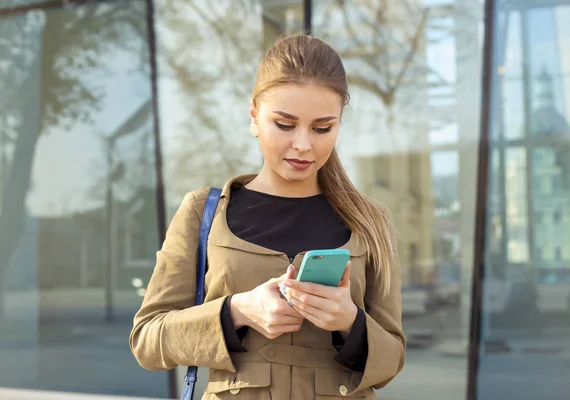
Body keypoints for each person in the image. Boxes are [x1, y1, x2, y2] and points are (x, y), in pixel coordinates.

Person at [130, 34, 405, 399]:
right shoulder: (204, 212)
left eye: (323, 128)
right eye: (285, 124)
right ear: (254, 115)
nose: (304, 144)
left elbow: (393, 357)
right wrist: (235, 311)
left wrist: (350, 322)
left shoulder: (370, 221)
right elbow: (148, 338)